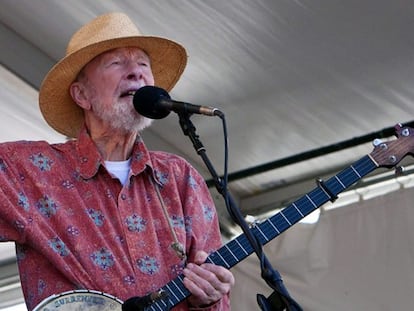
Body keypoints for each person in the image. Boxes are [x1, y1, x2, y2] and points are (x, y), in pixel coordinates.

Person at [0, 12, 234, 310]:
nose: (136, 73)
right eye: (116, 63)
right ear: (82, 95)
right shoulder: (27, 171)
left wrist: (211, 297)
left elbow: (217, 299)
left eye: (143, 64)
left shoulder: (179, 177)